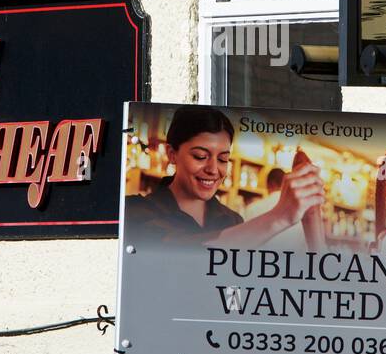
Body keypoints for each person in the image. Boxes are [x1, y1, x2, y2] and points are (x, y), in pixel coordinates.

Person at [127, 106, 325, 248]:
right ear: (172, 154)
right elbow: (184, 253)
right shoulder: (135, 211)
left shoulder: (232, 219)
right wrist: (280, 216)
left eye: (223, 159)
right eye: (200, 156)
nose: (213, 169)